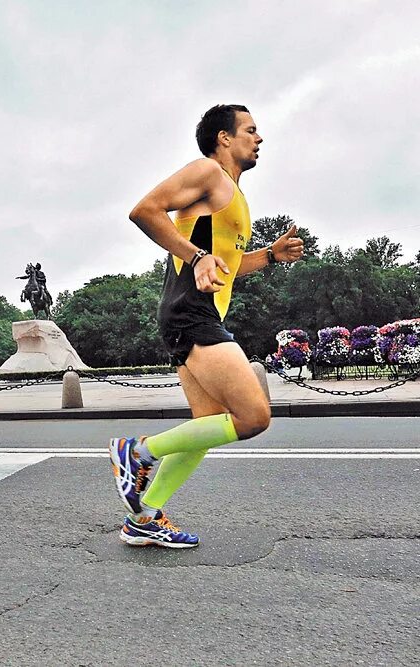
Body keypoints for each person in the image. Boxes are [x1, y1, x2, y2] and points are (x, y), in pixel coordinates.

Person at [108, 104, 304, 548]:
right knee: (253, 416)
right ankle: (135, 452)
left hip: (193, 314)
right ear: (224, 138)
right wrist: (195, 257)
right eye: (251, 130)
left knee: (208, 423)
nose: (259, 138)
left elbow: (228, 266)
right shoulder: (209, 172)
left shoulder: (232, 194)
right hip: (191, 313)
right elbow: (145, 210)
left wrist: (270, 256)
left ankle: (145, 518)